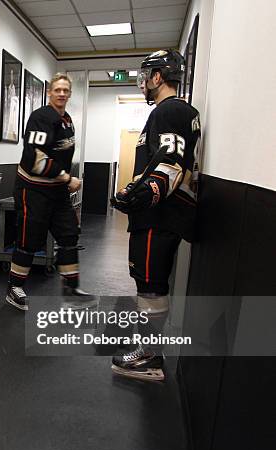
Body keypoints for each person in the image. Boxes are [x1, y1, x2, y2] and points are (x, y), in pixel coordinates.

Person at [111, 49, 201, 381]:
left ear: (158, 76)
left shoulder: (170, 110)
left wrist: (143, 195)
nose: (142, 83)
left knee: (150, 284)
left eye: (145, 76)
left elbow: (172, 164)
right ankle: (150, 351)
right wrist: (137, 184)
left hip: (160, 215)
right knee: (152, 283)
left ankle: (149, 358)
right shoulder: (182, 112)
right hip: (164, 213)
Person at [5, 73, 93, 311]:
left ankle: (71, 292)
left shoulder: (67, 120)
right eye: (57, 90)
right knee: (28, 241)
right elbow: (35, 159)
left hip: (57, 191)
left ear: (70, 94)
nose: (62, 94)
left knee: (68, 236)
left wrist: (62, 180)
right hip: (33, 189)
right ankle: (15, 289)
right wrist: (66, 177)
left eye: (66, 90)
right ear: (49, 93)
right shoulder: (41, 117)